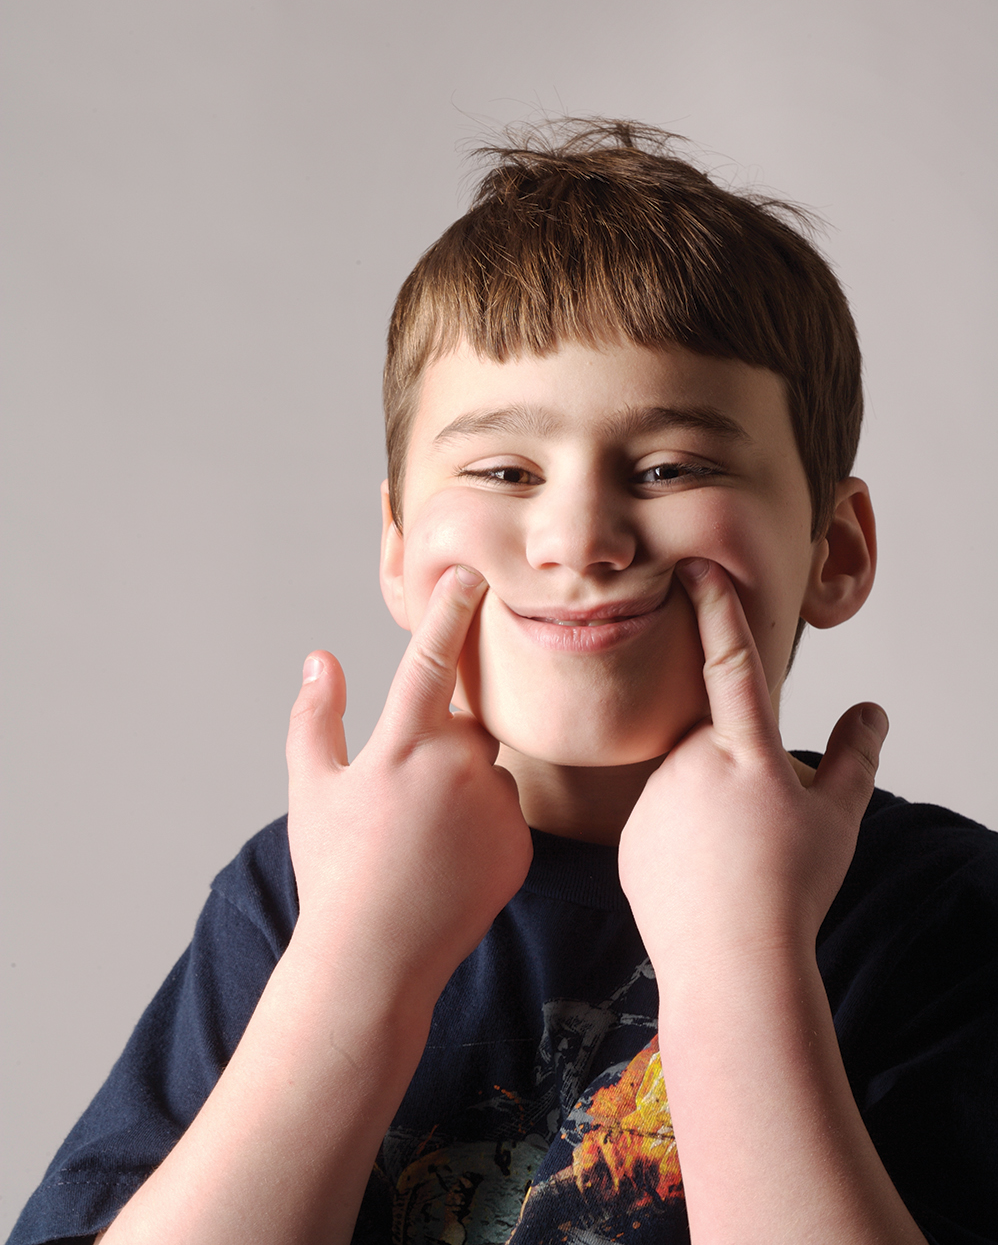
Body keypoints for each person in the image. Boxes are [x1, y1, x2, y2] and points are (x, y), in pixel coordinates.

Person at [10, 120, 996, 1245]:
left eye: (669, 467)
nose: (578, 540)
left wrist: (739, 959)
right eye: (504, 470)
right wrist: (355, 960)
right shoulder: (302, 895)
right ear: (395, 545)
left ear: (835, 548)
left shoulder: (941, 918)